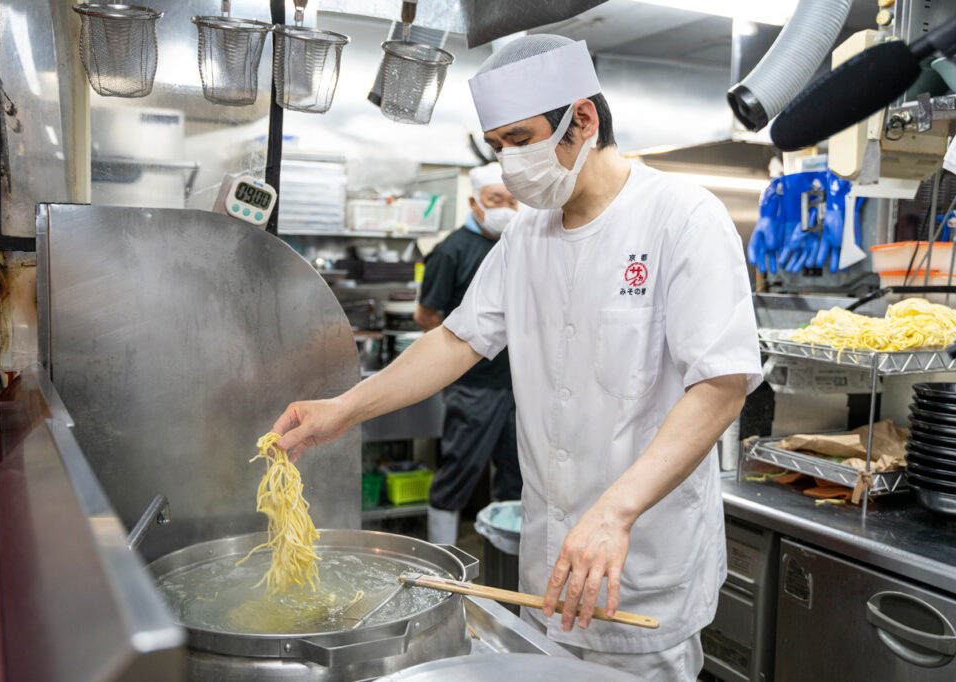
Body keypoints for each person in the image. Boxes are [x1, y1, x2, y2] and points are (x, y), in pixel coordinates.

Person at [272, 35, 761, 681]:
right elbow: (457, 340)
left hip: (640, 556)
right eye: (498, 146)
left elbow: (722, 384)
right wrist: (344, 408)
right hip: (551, 558)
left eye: (520, 138)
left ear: (581, 120)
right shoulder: (529, 233)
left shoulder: (681, 217)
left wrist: (615, 512)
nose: (510, 163)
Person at [414, 162, 522, 545]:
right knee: (459, 470)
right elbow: (426, 314)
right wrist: (463, 353)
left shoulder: (518, 246)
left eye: (513, 201)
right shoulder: (451, 250)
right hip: (474, 385)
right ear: (476, 202)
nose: (505, 208)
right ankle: (440, 559)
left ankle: (508, 563)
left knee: (518, 474)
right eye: (496, 200)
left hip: (520, 385)